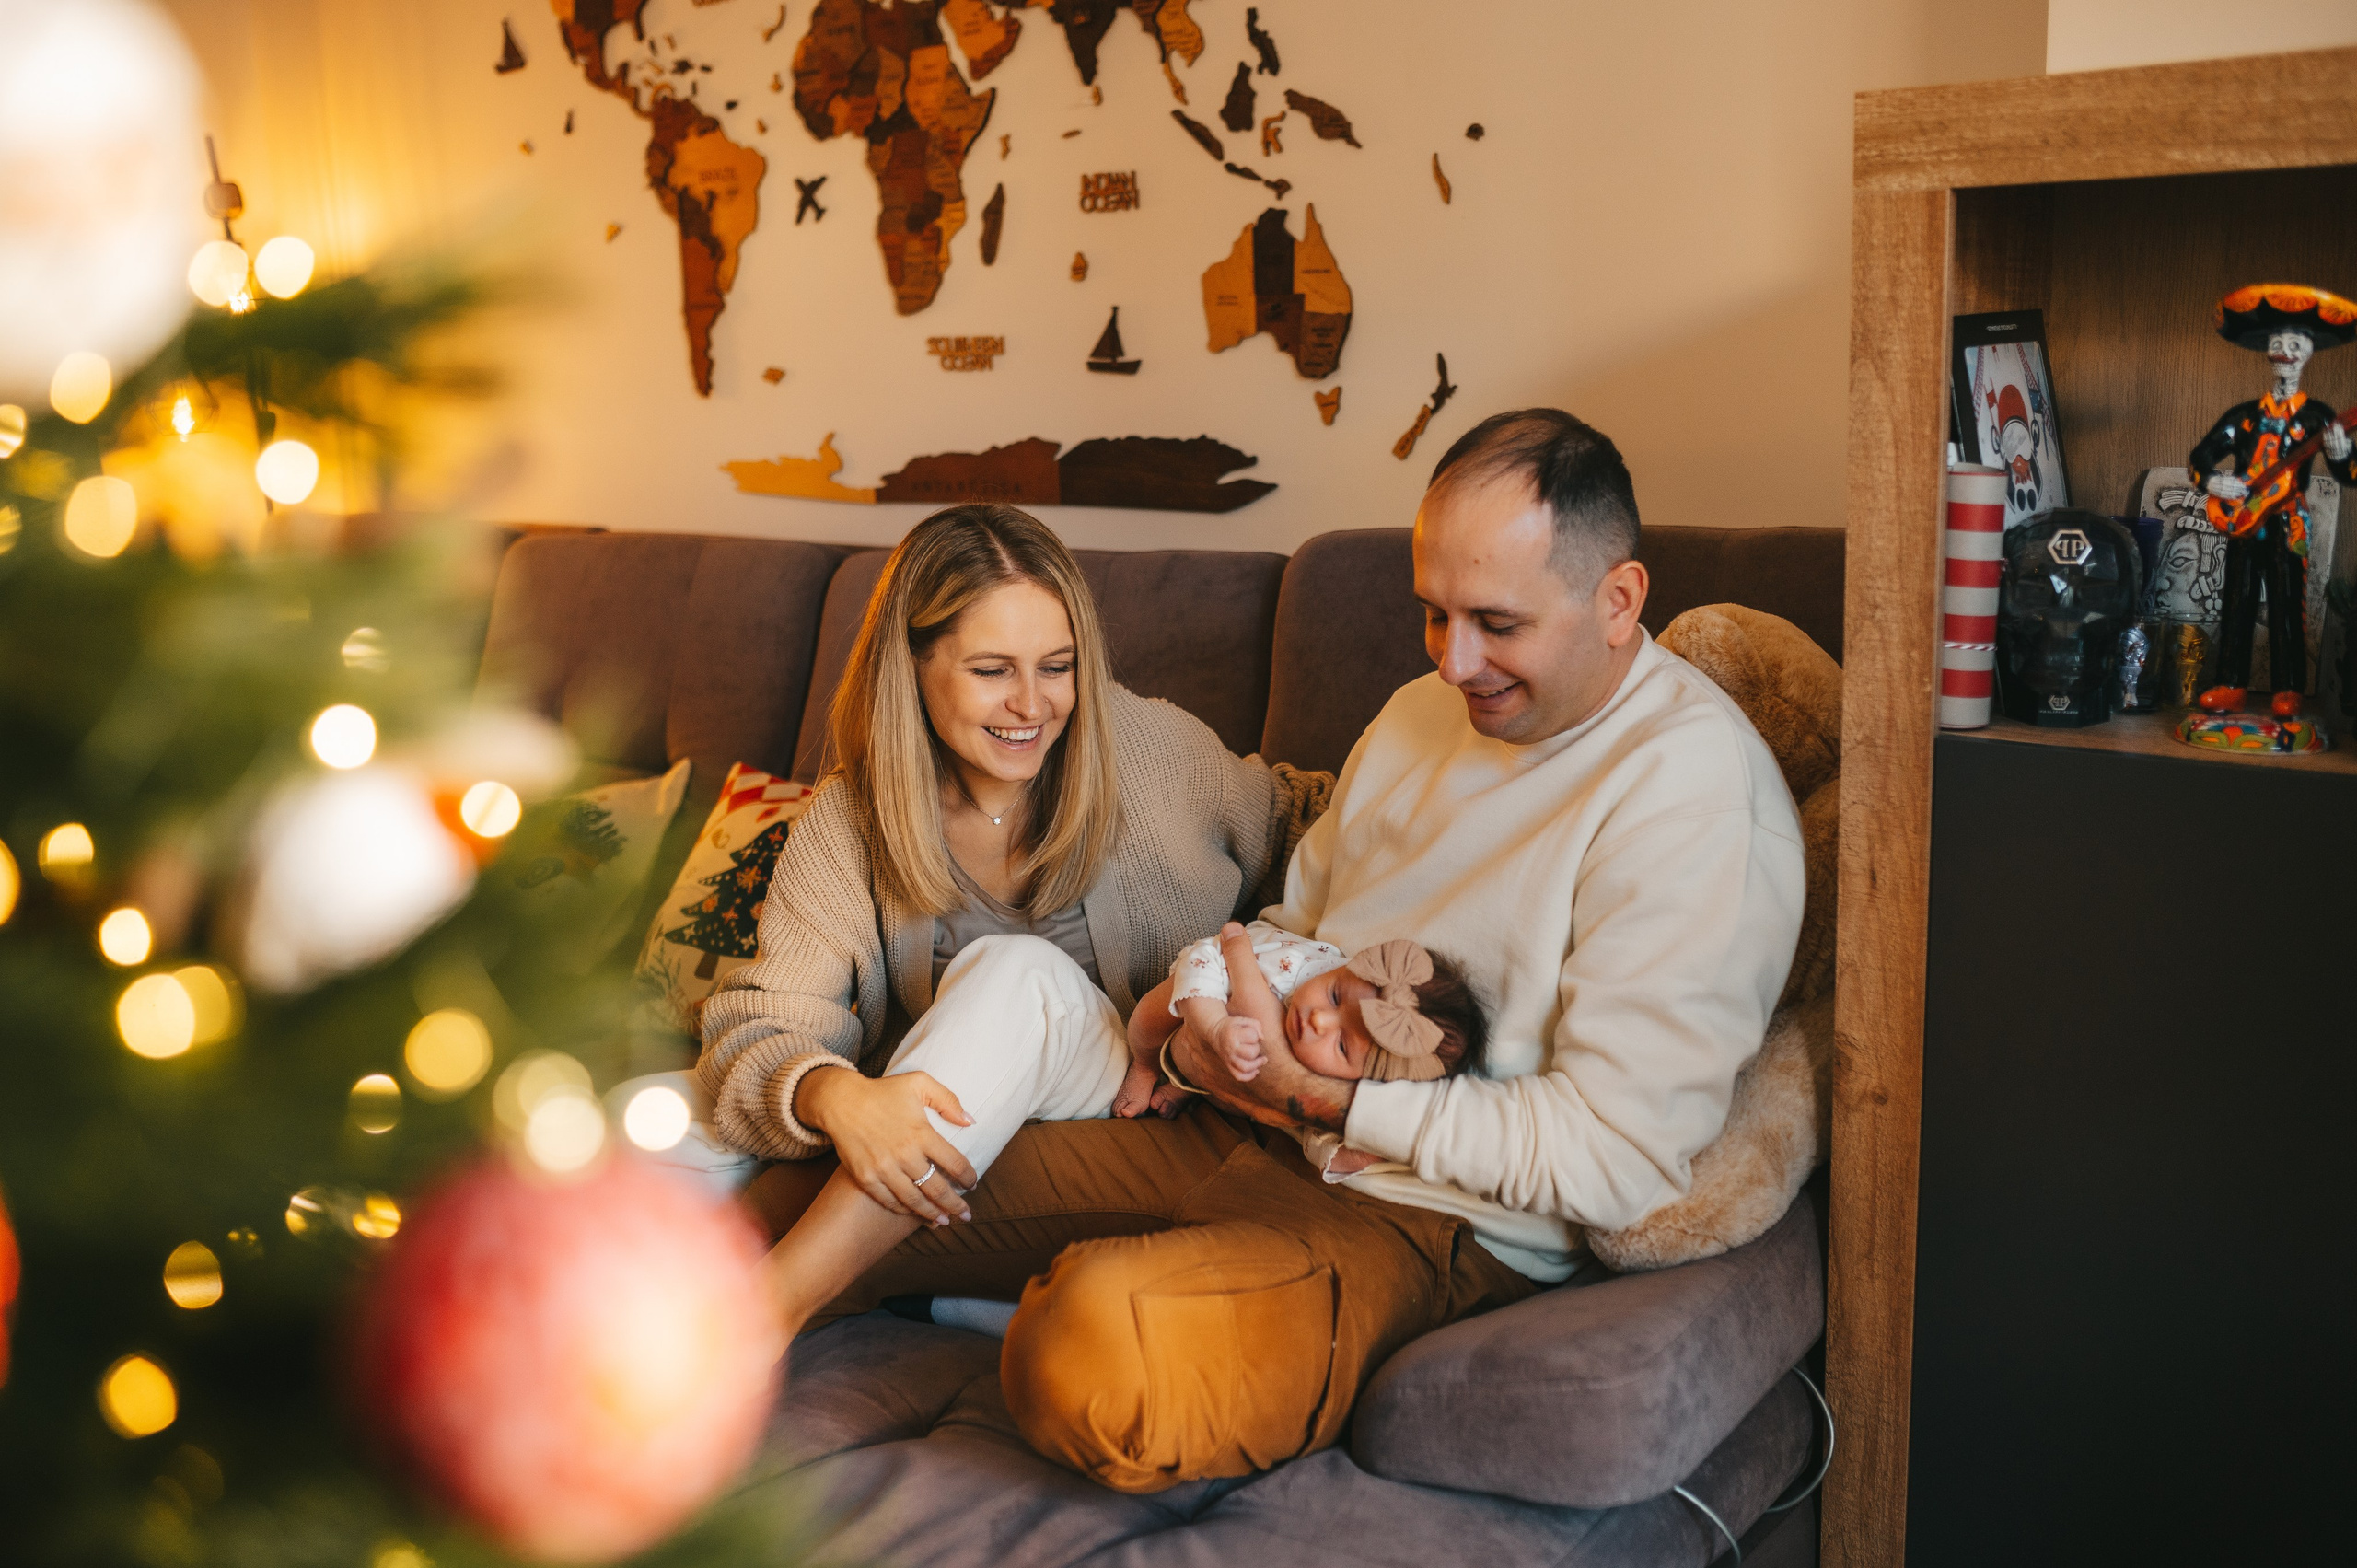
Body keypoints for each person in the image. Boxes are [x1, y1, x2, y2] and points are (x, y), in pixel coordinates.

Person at [717, 411, 1806, 1496]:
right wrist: (1201, 1020)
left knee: (1091, 1351)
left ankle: (1064, 1292)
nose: (1453, 660)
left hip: (1422, 1213)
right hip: (1228, 1118)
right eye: (1432, 614)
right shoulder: (1420, 714)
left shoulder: (1690, 795)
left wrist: (1330, 1101)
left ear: (1617, 601)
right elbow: (1294, 926)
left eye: (1496, 623)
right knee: (790, 1209)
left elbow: (1618, 1159)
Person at [696, 503, 1329, 1265]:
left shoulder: (1147, 749)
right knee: (644, 1118)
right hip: (949, 1112)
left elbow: (1313, 823)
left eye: (1056, 667)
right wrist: (837, 1096)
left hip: (1120, 1098)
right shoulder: (850, 819)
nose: (1033, 705)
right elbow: (763, 1024)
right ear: (913, 666)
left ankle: (764, 1318)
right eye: (992, 670)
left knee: (1016, 971)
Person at [1112, 920, 1487, 1119]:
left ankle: (1189, 1087)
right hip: (1208, 982)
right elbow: (1204, 957)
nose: (1320, 1021)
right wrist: (1215, 1026)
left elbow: (1322, 1130)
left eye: (1341, 1045)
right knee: (1151, 1015)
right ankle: (1145, 1064)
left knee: (1236, 1077)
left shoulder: (1340, 1086)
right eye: (1335, 994)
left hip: (1235, 1060)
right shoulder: (1288, 971)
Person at [2187, 283, 2357, 718]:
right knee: (2236, 600)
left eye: (2295, 343)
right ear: (2266, 350)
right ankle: (2230, 683)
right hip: (2243, 521)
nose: (2285, 351)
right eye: (2278, 343)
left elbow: (2349, 475)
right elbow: (2201, 457)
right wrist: (2212, 483)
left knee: (2287, 603)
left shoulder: (2317, 415)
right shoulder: (2243, 416)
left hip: (2287, 522)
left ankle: (2289, 688)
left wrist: (2340, 453)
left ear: (2309, 352)